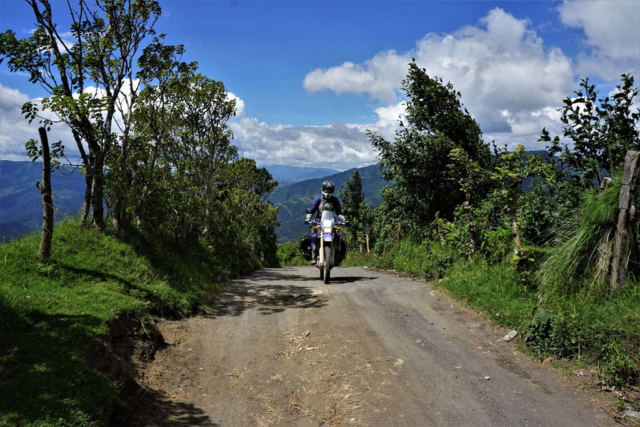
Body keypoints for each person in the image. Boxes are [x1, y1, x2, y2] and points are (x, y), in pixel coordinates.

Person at [305, 181, 346, 264]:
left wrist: (343, 219)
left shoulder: (334, 200)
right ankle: (313, 254)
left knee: (339, 237)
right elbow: (312, 210)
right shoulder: (318, 199)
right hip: (319, 222)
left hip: (331, 222)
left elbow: (338, 212)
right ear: (323, 189)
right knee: (314, 236)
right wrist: (308, 217)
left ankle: (338, 255)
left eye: (330, 190)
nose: (328, 191)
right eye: (326, 189)